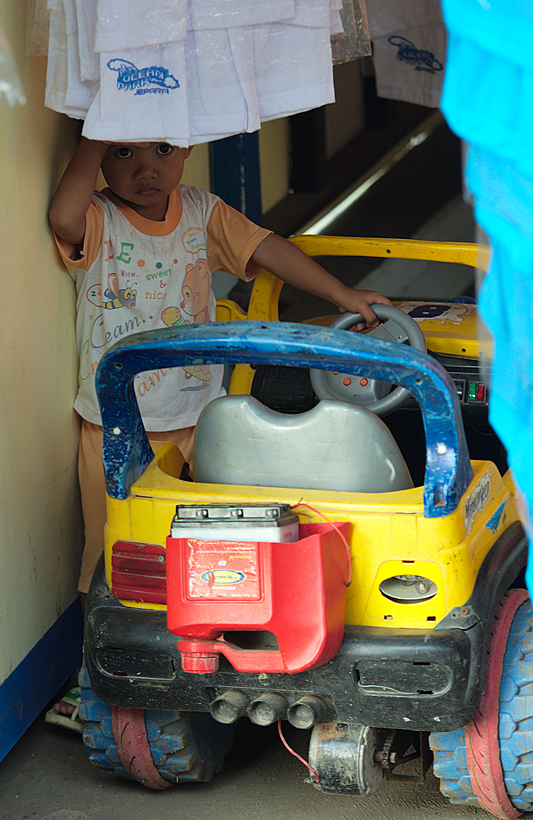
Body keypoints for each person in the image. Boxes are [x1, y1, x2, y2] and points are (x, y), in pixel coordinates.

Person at [46, 137, 391, 728]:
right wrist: (94, 136)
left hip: (202, 420)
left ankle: (210, 663)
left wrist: (344, 294)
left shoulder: (202, 213)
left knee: (211, 550)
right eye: (123, 152)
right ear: (100, 156)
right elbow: (62, 218)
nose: (146, 168)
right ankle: (93, 677)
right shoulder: (98, 219)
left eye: (162, 149)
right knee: (107, 557)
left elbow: (269, 248)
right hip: (117, 425)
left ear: (187, 149)